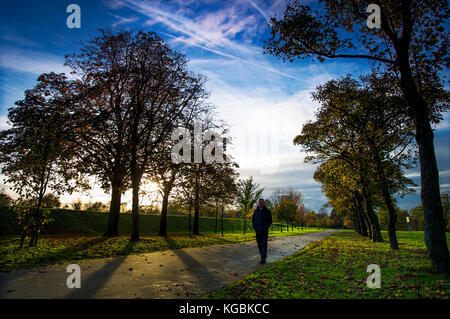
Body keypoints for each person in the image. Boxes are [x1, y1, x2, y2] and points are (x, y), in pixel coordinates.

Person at [252, 198, 272, 264]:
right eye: (259, 202)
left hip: (264, 232)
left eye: (262, 202)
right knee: (259, 245)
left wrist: (265, 227)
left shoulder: (267, 211)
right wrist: (255, 227)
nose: (260, 203)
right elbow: (253, 220)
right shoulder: (256, 211)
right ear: (258, 203)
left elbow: (270, 221)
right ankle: (262, 257)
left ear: (264, 203)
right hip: (257, 231)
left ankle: (263, 259)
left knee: (264, 245)